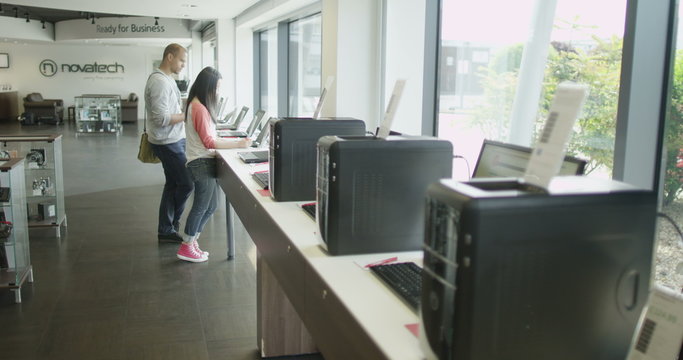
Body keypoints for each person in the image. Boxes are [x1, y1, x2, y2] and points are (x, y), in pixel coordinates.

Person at [178, 67, 251, 262]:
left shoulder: (198, 105)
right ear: (207, 87)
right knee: (202, 205)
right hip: (200, 161)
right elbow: (209, 142)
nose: (218, 92)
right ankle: (186, 245)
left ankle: (192, 241)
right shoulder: (199, 108)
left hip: (203, 159)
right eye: (216, 88)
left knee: (211, 205)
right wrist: (238, 143)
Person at [145, 43, 194, 244]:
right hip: (167, 142)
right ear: (170, 57)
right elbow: (161, 119)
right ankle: (170, 225)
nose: (183, 65)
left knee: (174, 184)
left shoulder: (168, 80)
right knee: (187, 183)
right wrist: (187, 115)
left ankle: (167, 228)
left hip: (173, 140)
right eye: (182, 60)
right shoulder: (160, 82)